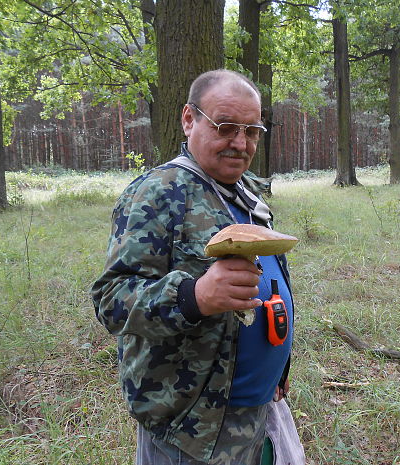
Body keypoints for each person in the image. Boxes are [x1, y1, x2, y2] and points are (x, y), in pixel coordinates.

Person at [91, 69, 304, 465]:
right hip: (194, 424)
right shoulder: (160, 192)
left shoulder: (246, 194)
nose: (241, 143)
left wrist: (277, 367)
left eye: (252, 130)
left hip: (254, 407)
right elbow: (110, 300)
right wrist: (196, 296)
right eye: (225, 126)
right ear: (189, 119)